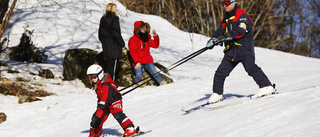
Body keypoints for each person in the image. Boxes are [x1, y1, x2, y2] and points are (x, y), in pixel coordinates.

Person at [206, 0, 275, 104]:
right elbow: (219, 32)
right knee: (220, 73)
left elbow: (241, 30)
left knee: (250, 68)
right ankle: (217, 94)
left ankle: (267, 87)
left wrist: (224, 37)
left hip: (244, 50)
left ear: (233, 2)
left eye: (226, 3)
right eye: (222, 4)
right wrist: (212, 41)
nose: (224, 6)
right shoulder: (225, 19)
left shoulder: (242, 16)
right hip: (231, 52)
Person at [87, 64, 136, 137]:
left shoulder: (106, 84)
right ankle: (95, 133)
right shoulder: (97, 84)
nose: (92, 79)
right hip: (106, 103)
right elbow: (100, 98)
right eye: (90, 77)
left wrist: (100, 110)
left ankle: (130, 129)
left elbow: (105, 97)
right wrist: (98, 111)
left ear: (100, 74)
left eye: (94, 76)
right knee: (96, 118)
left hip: (114, 100)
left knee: (117, 114)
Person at [128, 21, 167, 86]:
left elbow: (155, 45)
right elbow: (132, 52)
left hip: (147, 60)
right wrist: (137, 62)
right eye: (142, 27)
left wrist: (156, 37)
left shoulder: (147, 38)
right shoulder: (132, 39)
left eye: (145, 27)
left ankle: (162, 83)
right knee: (139, 74)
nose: (144, 29)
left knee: (155, 73)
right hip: (137, 62)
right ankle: (138, 85)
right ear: (138, 28)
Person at [98, 3, 125, 81]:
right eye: (116, 8)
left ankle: (105, 85)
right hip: (114, 48)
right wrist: (122, 43)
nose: (117, 10)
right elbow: (116, 33)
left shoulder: (103, 18)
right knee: (112, 69)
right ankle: (110, 86)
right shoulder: (114, 18)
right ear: (113, 9)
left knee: (107, 68)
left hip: (106, 47)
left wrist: (105, 42)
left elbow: (100, 34)